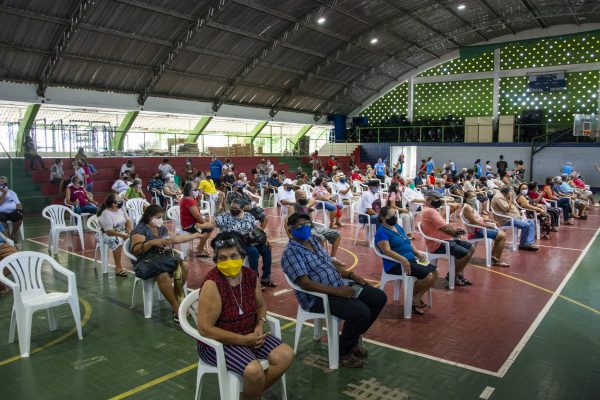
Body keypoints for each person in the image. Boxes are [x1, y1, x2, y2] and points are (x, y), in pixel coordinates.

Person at [282, 212, 387, 368]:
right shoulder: (291, 252)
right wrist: (337, 292)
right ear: (290, 230)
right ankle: (343, 351)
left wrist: (352, 275)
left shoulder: (314, 241)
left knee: (378, 297)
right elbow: (304, 283)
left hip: (338, 285)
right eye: (299, 226)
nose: (304, 228)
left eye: (307, 224)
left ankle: (350, 340)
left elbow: (331, 265)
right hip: (317, 297)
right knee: (361, 312)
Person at [196, 232, 293, 400]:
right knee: (254, 372)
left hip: (250, 334)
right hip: (218, 343)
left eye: (233, 256)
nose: (228, 262)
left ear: (242, 256)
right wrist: (243, 340)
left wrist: (259, 326)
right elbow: (205, 330)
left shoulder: (250, 275)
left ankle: (246, 396)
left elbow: (261, 306)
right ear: (216, 260)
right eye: (222, 258)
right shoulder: (213, 283)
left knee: (286, 355)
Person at [130, 205, 200, 322]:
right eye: (158, 217)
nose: (161, 219)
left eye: (162, 217)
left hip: (163, 259)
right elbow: (136, 250)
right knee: (162, 275)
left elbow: (177, 239)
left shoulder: (161, 228)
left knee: (184, 266)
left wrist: (195, 235)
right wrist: (152, 242)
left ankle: (178, 295)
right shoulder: (140, 229)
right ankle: (176, 306)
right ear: (149, 217)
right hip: (147, 261)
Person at [374, 206, 437, 314]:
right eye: (391, 215)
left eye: (395, 214)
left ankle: (414, 296)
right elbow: (386, 251)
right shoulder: (381, 232)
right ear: (383, 218)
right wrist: (402, 259)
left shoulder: (397, 227)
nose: (394, 217)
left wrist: (417, 253)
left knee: (436, 272)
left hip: (411, 260)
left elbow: (408, 242)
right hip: (396, 264)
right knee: (428, 276)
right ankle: (415, 300)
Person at [215, 198, 275, 288]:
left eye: (236, 208)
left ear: (242, 208)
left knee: (267, 249)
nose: (233, 210)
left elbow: (257, 227)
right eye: (232, 207)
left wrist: (267, 238)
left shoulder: (248, 215)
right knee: (253, 252)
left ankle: (266, 277)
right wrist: (202, 225)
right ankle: (254, 279)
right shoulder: (225, 216)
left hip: (250, 240)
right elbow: (213, 223)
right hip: (235, 242)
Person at [421, 190, 475, 286]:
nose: (439, 201)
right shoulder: (430, 211)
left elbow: (444, 225)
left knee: (471, 247)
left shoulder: (433, 210)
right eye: (436, 199)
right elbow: (445, 228)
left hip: (446, 240)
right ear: (428, 200)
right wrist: (454, 233)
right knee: (465, 253)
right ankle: (452, 275)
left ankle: (457, 274)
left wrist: (454, 231)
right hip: (438, 244)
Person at [462, 191, 509, 267]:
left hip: (479, 229)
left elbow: (478, 218)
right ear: (466, 198)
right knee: (502, 236)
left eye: (475, 196)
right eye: (471, 197)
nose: (474, 198)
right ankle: (496, 259)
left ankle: (494, 256)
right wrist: (488, 226)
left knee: (501, 235)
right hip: (477, 231)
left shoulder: (471, 206)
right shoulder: (467, 208)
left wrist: (490, 220)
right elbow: (474, 222)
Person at [292, 189, 341, 259]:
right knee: (320, 237)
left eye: (305, 197)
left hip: (313, 228)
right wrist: (307, 206)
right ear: (297, 198)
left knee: (337, 234)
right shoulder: (293, 207)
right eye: (303, 197)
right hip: (304, 231)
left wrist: (307, 207)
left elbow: (312, 203)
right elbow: (296, 217)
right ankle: (322, 259)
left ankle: (333, 258)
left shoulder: (306, 205)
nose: (305, 199)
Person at [491, 186, 538, 251]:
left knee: (531, 222)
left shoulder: (503, 196)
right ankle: (524, 245)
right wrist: (510, 198)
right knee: (526, 225)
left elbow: (512, 205)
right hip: (506, 220)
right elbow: (506, 208)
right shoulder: (498, 197)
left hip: (513, 218)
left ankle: (528, 243)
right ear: (507, 193)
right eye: (511, 192)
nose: (512, 194)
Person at [97, 194, 132, 276]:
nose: (121, 202)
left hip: (122, 232)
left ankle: (137, 262)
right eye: (119, 200)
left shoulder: (121, 209)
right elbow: (109, 231)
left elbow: (128, 221)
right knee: (117, 242)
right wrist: (124, 236)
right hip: (106, 234)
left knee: (138, 238)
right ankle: (118, 268)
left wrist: (130, 232)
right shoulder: (105, 214)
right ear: (113, 204)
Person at [180, 183, 215, 257]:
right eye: (195, 190)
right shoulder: (189, 201)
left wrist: (205, 221)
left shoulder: (187, 199)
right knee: (210, 228)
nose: (197, 191)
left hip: (188, 223)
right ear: (190, 191)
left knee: (208, 224)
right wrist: (206, 224)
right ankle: (200, 249)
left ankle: (200, 247)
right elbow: (198, 216)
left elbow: (197, 214)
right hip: (189, 226)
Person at [0, 177, 23, 241]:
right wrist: (4, 194)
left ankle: (13, 235)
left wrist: (19, 210)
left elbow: (18, 203)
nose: (3, 185)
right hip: (1, 212)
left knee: (19, 218)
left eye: (4, 183)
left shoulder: (12, 192)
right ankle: (7, 239)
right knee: (3, 223)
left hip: (12, 211)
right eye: (1, 183)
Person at [0, 222, 18, 294]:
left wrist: (9, 242)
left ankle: (1, 279)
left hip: (1, 246)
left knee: (15, 258)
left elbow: (3, 234)